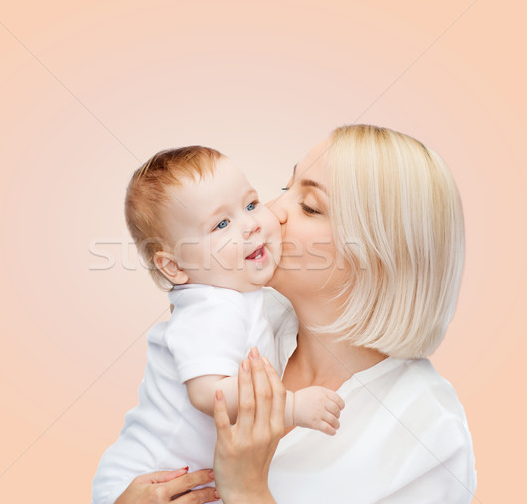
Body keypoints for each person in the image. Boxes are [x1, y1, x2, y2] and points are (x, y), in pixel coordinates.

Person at [111, 124, 477, 503]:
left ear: (380, 257)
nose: (271, 212)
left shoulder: (430, 436)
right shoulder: (245, 316)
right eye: (287, 187)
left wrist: (247, 490)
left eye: (310, 206)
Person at [91, 147, 345, 504]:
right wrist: (292, 407)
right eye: (221, 224)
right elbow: (210, 394)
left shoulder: (244, 294)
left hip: (191, 482)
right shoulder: (212, 307)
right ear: (175, 267)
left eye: (252, 204)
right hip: (147, 480)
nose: (252, 223)